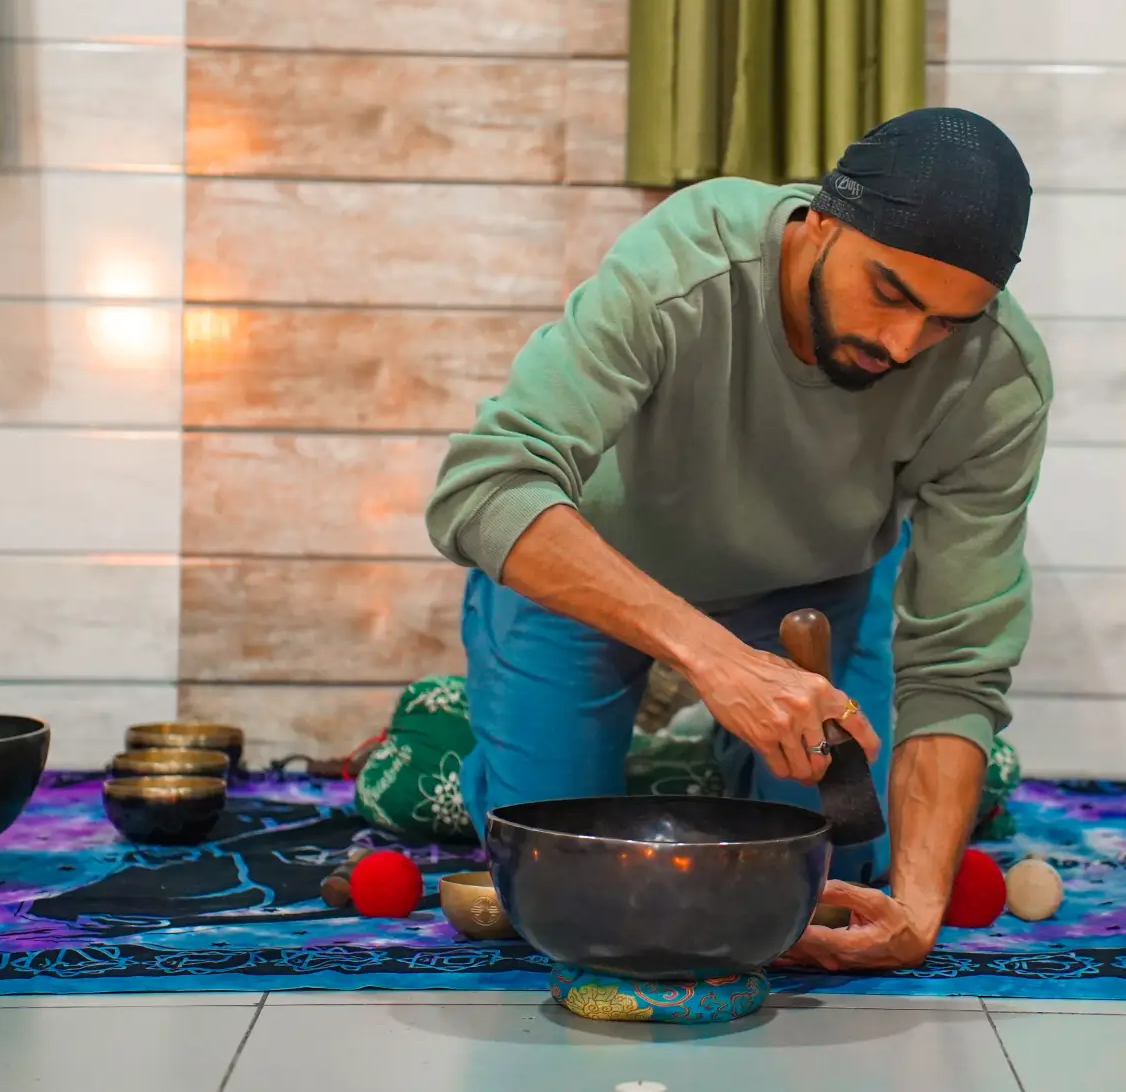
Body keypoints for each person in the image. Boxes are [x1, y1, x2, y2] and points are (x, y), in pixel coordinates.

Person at [424, 106, 1051, 972]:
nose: (905, 343)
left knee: (845, 871)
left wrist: (915, 913)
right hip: (599, 569)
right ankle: (604, 721)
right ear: (820, 222)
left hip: (813, 591)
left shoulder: (1000, 376)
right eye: (890, 292)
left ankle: (724, 744)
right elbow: (483, 487)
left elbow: (956, 661)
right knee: (552, 866)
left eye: (947, 322)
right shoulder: (688, 259)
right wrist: (716, 661)